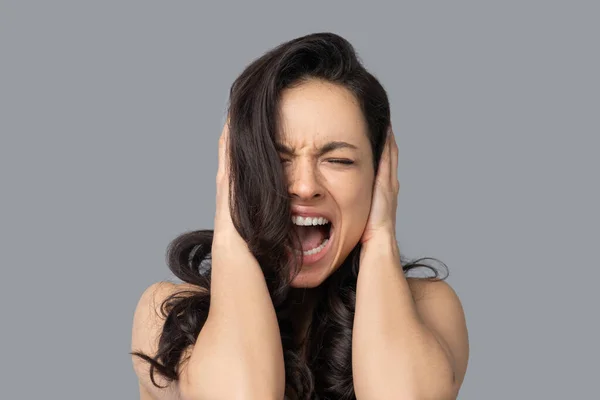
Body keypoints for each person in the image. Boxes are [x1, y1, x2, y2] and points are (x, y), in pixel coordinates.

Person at [131, 32, 469, 400]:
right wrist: (230, 229)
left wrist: (381, 237)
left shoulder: (430, 308)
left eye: (338, 160)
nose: (305, 187)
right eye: (277, 159)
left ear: (379, 176)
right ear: (235, 174)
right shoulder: (169, 315)